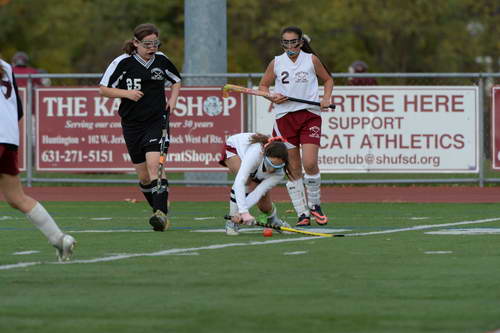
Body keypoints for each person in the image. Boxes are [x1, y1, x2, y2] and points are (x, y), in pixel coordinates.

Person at [99, 23, 181, 232]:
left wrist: (173, 100)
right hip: (131, 124)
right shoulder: (123, 62)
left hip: (156, 121)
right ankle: (159, 207)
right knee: (144, 177)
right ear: (136, 43)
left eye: (155, 43)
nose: (152, 47)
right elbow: (104, 90)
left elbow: (176, 80)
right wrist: (127, 94)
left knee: (156, 167)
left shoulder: (161, 60)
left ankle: (161, 215)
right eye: (147, 44)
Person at [0, 58, 76, 262]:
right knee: (17, 198)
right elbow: (19, 111)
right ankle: (60, 239)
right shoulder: (5, 66)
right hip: (9, 138)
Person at [259, 26, 334, 227]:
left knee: (309, 163)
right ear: (282, 43)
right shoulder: (276, 62)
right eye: (286, 42)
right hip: (285, 118)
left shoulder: (311, 60)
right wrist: (272, 96)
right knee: (293, 168)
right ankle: (302, 213)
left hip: (309, 115)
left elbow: (327, 80)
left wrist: (326, 98)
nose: (290, 46)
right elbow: (263, 86)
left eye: (294, 42)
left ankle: (315, 205)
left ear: (300, 42)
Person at [219, 133, 291, 235]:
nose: (272, 169)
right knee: (247, 180)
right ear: (264, 155)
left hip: (257, 165)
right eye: (270, 164)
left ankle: (274, 221)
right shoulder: (256, 153)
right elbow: (240, 181)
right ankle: (231, 222)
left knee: (265, 207)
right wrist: (243, 212)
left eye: (277, 166)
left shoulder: (279, 173)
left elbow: (258, 192)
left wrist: (241, 213)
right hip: (235, 149)